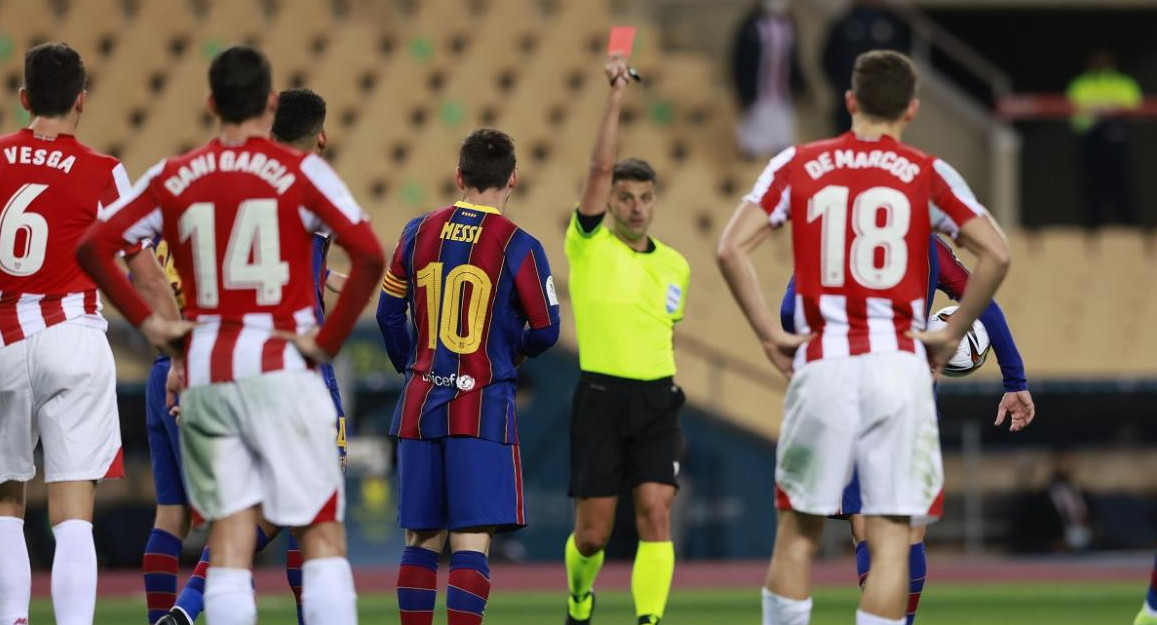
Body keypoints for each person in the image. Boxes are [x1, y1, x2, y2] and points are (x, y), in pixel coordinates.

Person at [77, 45, 385, 625]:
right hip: (286, 368)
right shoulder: (301, 173)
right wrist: (328, 341)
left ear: (212, 103)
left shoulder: (173, 176)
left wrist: (157, 331)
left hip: (209, 376)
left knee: (230, 543)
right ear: (270, 104)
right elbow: (369, 255)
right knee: (320, 535)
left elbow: (94, 246)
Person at [717, 50, 1011, 625]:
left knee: (798, 533)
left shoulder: (797, 163)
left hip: (824, 362)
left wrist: (767, 335)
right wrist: (950, 333)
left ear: (850, 101)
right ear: (912, 110)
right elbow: (997, 253)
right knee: (894, 538)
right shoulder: (928, 173)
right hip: (897, 367)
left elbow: (731, 248)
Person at [143, 87, 349, 625]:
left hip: (207, 358)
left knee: (199, 512)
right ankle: (197, 605)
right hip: (292, 361)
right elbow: (368, 252)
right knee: (309, 505)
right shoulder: (313, 186)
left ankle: (178, 611)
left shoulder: (232, 189)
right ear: (321, 136)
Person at [0, 42, 179, 625]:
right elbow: (143, 268)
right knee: (73, 514)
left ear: (24, 97)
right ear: (81, 101)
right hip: (72, 338)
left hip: (3, 337)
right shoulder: (102, 172)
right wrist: (177, 349)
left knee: (6, 505)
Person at [779, 234, 1036, 625]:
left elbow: (787, 312)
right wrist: (1014, 379)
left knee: (861, 525)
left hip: (843, 387)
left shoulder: (832, 239)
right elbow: (981, 297)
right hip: (907, 392)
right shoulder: (926, 244)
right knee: (907, 530)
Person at [376, 128, 560, 625]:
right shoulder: (520, 246)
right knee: (471, 540)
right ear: (513, 180)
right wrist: (512, 353)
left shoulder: (416, 232)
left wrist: (412, 363)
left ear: (459, 176)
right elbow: (547, 330)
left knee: (420, 539)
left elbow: (388, 315)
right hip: (481, 406)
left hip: (419, 404)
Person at [562, 55, 691, 625]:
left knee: (656, 514)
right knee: (592, 534)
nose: (636, 207)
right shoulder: (588, 245)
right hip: (600, 398)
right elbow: (597, 165)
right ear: (609, 202)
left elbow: (666, 328)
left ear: (655, 202)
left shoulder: (677, 267)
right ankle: (578, 598)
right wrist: (615, 96)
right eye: (624, 198)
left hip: (657, 399)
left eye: (644, 198)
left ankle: (649, 620)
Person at [1066, 50, 1142, 228]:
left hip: (1118, 142)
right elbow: (1075, 120)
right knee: (1093, 190)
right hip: (1092, 142)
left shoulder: (1125, 83)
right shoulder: (1080, 84)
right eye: (1097, 60)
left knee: (1122, 188)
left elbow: (1136, 113)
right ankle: (1094, 230)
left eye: (1105, 60)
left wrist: (1107, 114)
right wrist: (1100, 117)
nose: (1101, 64)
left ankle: (1130, 229)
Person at [821, 0, 911, 133]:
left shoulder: (893, 24)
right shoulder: (845, 24)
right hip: (851, 105)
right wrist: (843, 88)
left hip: (882, 106)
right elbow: (828, 60)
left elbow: (902, 63)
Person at [731, 0, 805, 158]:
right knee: (754, 139)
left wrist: (800, 85)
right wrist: (743, 94)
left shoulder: (789, 26)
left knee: (782, 143)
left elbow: (793, 60)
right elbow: (740, 62)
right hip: (758, 95)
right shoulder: (752, 28)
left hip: (781, 95)